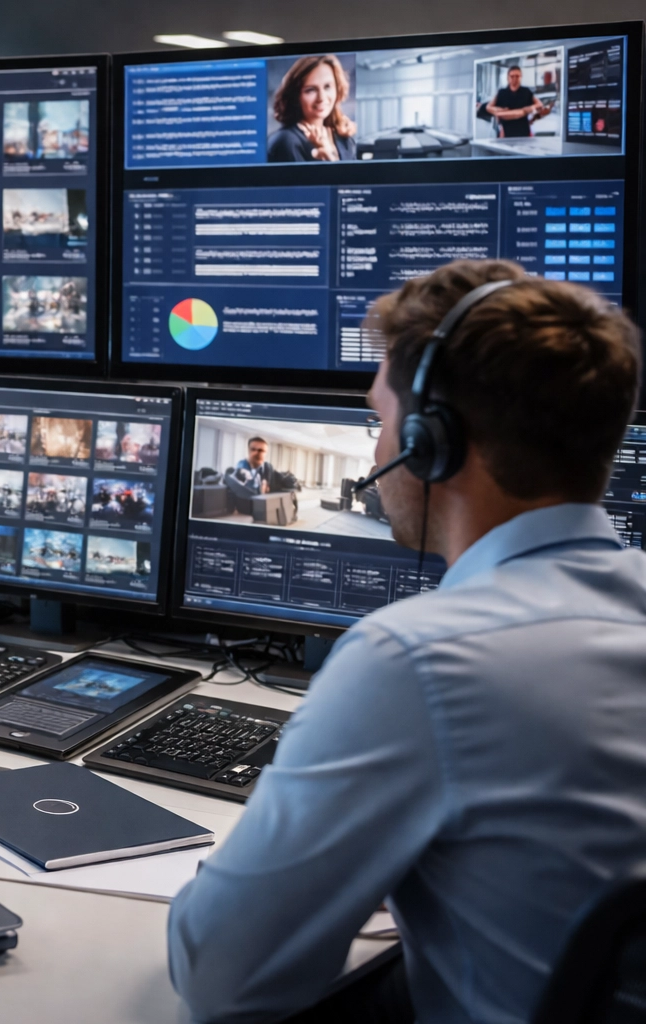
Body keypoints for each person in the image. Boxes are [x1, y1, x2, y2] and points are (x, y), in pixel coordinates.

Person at [167, 259, 646, 1023]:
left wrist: (253, 860)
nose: (378, 448)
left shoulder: (418, 660)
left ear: (431, 443)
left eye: (381, 420)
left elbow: (224, 982)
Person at [267, 54, 358, 163]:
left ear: (337, 88)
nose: (321, 98)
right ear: (295, 95)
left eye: (327, 87)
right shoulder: (285, 142)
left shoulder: (345, 140)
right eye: (311, 90)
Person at [486, 65, 551, 139]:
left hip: (523, 132)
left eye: (517, 76)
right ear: (508, 77)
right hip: (505, 132)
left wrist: (528, 110)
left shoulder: (526, 92)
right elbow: (489, 107)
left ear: (521, 76)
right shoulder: (501, 93)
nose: (514, 79)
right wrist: (499, 111)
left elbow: (539, 105)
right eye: (512, 76)